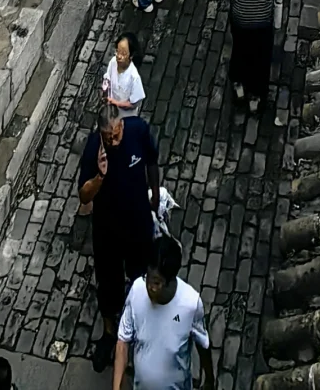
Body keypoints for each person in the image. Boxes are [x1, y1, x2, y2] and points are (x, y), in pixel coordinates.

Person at [78, 101, 160, 371]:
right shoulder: (93, 149)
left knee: (141, 275)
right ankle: (109, 332)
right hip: (108, 230)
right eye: (108, 137)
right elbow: (84, 196)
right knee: (107, 283)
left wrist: (155, 194)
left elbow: (151, 160)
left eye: (116, 135)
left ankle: (141, 324)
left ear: (122, 126)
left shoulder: (137, 131)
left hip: (137, 223)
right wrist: (100, 176)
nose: (113, 141)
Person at [113, 235, 214, 390]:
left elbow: (203, 344)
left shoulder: (191, 304)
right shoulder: (137, 290)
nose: (150, 287)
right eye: (147, 278)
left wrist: (209, 380)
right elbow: (123, 341)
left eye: (157, 282)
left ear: (170, 280)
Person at [102, 33, 145, 112]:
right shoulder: (113, 62)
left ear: (131, 55)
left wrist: (115, 103)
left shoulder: (134, 77)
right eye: (117, 51)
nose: (118, 56)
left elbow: (133, 104)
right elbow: (108, 77)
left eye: (123, 53)